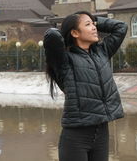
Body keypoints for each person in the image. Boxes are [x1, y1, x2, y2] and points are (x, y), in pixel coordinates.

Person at [43, 11, 127, 161]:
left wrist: (94, 20)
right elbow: (52, 36)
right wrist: (66, 27)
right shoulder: (65, 61)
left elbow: (121, 27)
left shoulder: (102, 52)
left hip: (101, 133)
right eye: (88, 25)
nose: (94, 27)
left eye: (94, 24)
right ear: (75, 32)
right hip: (76, 137)